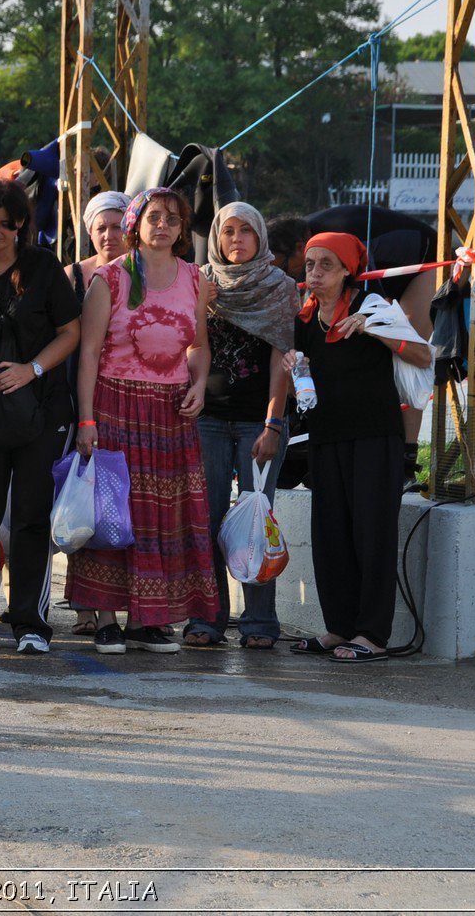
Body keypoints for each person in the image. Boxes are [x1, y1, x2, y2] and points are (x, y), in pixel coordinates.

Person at [68, 188, 215, 654]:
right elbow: (88, 353)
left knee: (161, 517)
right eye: (153, 217)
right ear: (136, 225)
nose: (163, 225)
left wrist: (198, 384)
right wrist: (86, 421)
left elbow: (198, 346)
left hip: (170, 412)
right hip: (115, 404)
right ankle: (107, 618)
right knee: (114, 511)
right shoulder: (110, 279)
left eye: (173, 218)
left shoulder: (195, 278)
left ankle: (148, 620)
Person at [286, 232, 431, 662]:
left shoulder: (372, 306)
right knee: (331, 534)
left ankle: (372, 634)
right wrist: (295, 370)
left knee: (372, 533)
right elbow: (307, 386)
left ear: (348, 269)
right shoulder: (305, 318)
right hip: (327, 437)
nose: (314, 273)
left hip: (374, 437)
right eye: (310, 264)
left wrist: (376, 330)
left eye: (325, 265)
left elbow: (423, 357)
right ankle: (339, 627)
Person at [0, 180, 81, 655]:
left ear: (22, 223)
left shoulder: (44, 268)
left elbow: (71, 332)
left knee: (30, 518)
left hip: (42, 414)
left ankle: (29, 621)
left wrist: (33, 369)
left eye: (6, 224)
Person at [181, 202, 298, 650]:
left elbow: (280, 362)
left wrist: (272, 423)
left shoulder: (280, 288)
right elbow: (194, 346)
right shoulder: (200, 282)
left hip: (258, 422)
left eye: (246, 231)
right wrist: (199, 306)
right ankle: (206, 620)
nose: (236, 240)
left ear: (260, 238)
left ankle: (260, 624)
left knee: (256, 519)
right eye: (227, 231)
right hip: (208, 419)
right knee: (206, 519)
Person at [269, 205, 436, 482]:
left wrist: (374, 329)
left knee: (398, 351)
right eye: (309, 265)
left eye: (283, 266)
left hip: (424, 261)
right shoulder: (310, 246)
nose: (285, 274)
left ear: (299, 248)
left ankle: (406, 455)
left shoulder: (341, 243)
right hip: (388, 257)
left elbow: (373, 306)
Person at [61, 190, 131, 635]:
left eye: (118, 225)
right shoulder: (73, 277)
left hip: (129, 400)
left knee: (116, 507)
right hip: (78, 401)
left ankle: (122, 609)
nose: (109, 234)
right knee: (80, 501)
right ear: (89, 232)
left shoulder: (142, 275)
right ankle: (85, 603)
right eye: (100, 227)